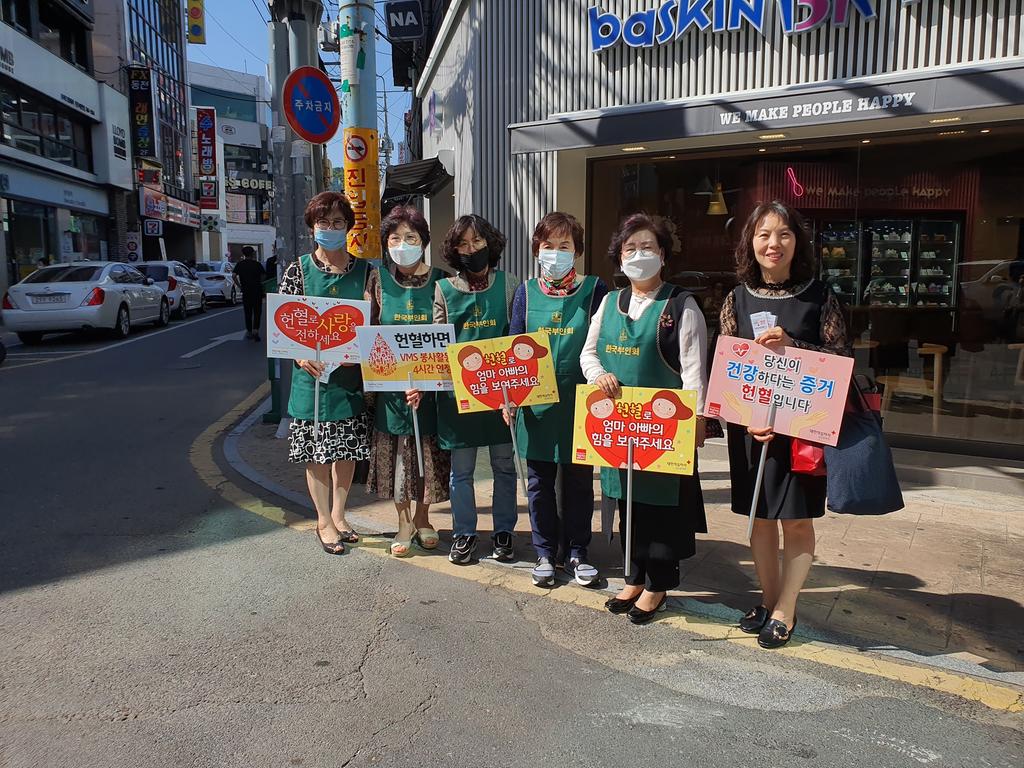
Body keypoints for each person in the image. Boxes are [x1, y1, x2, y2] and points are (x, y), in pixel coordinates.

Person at [720, 201, 851, 649]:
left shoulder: (820, 296)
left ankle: (786, 609)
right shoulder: (737, 298)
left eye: (783, 234)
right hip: (752, 429)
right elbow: (728, 367)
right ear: (750, 243)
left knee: (795, 520)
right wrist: (746, 419)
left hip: (802, 432)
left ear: (798, 242)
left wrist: (793, 344)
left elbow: (841, 360)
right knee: (759, 519)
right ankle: (768, 599)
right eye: (763, 235)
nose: (773, 244)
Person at [580, 212, 708, 625]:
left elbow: (694, 371)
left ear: (663, 255)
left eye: (647, 247)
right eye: (630, 248)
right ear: (619, 258)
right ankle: (634, 578)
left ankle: (657, 585)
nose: (638, 255)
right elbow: (588, 354)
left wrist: (696, 420)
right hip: (620, 427)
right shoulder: (608, 303)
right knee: (628, 503)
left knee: (661, 508)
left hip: (665, 428)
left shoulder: (681, 305)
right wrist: (598, 376)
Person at [506, 212, 608, 588]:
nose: (555, 253)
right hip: (536, 404)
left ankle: (578, 551)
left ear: (577, 251)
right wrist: (508, 399)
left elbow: (603, 342)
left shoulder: (596, 289)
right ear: (537, 250)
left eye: (564, 246)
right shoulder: (525, 292)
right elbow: (513, 347)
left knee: (579, 482)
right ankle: (545, 552)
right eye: (548, 246)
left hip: (582, 402)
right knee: (539, 483)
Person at [279, 192, 372, 555]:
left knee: (346, 450)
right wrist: (301, 355)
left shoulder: (367, 273)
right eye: (323, 222)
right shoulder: (297, 271)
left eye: (337, 222)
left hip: (348, 379)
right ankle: (323, 521)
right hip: (311, 380)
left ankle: (339, 514)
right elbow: (283, 324)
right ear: (312, 227)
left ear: (348, 227)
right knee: (317, 453)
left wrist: (358, 353)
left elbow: (375, 323)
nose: (330, 228)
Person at [433, 214, 520, 565]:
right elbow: (437, 345)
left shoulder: (511, 284)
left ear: (490, 243)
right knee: (462, 471)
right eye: (463, 244)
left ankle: (504, 531)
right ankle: (464, 533)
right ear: (455, 251)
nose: (471, 249)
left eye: (477, 242)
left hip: (502, 394)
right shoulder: (444, 289)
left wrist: (515, 394)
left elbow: (518, 338)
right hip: (459, 395)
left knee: (504, 466)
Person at [365, 205, 450, 557]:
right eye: (395, 239)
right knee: (398, 456)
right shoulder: (377, 281)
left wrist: (428, 382)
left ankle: (423, 517)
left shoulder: (442, 281)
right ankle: (403, 522)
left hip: (432, 387)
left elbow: (448, 337)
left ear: (424, 241)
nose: (403, 245)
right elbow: (368, 332)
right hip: (390, 387)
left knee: (427, 453)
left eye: (410, 238)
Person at [234, 246, 266, 341]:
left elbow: (234, 275)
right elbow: (264, 275)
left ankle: (249, 331)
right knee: (257, 311)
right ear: (252, 254)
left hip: (246, 291)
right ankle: (256, 330)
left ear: (244, 254)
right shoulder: (257, 264)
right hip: (257, 290)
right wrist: (260, 282)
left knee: (247, 312)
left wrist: (240, 286)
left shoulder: (240, 264)